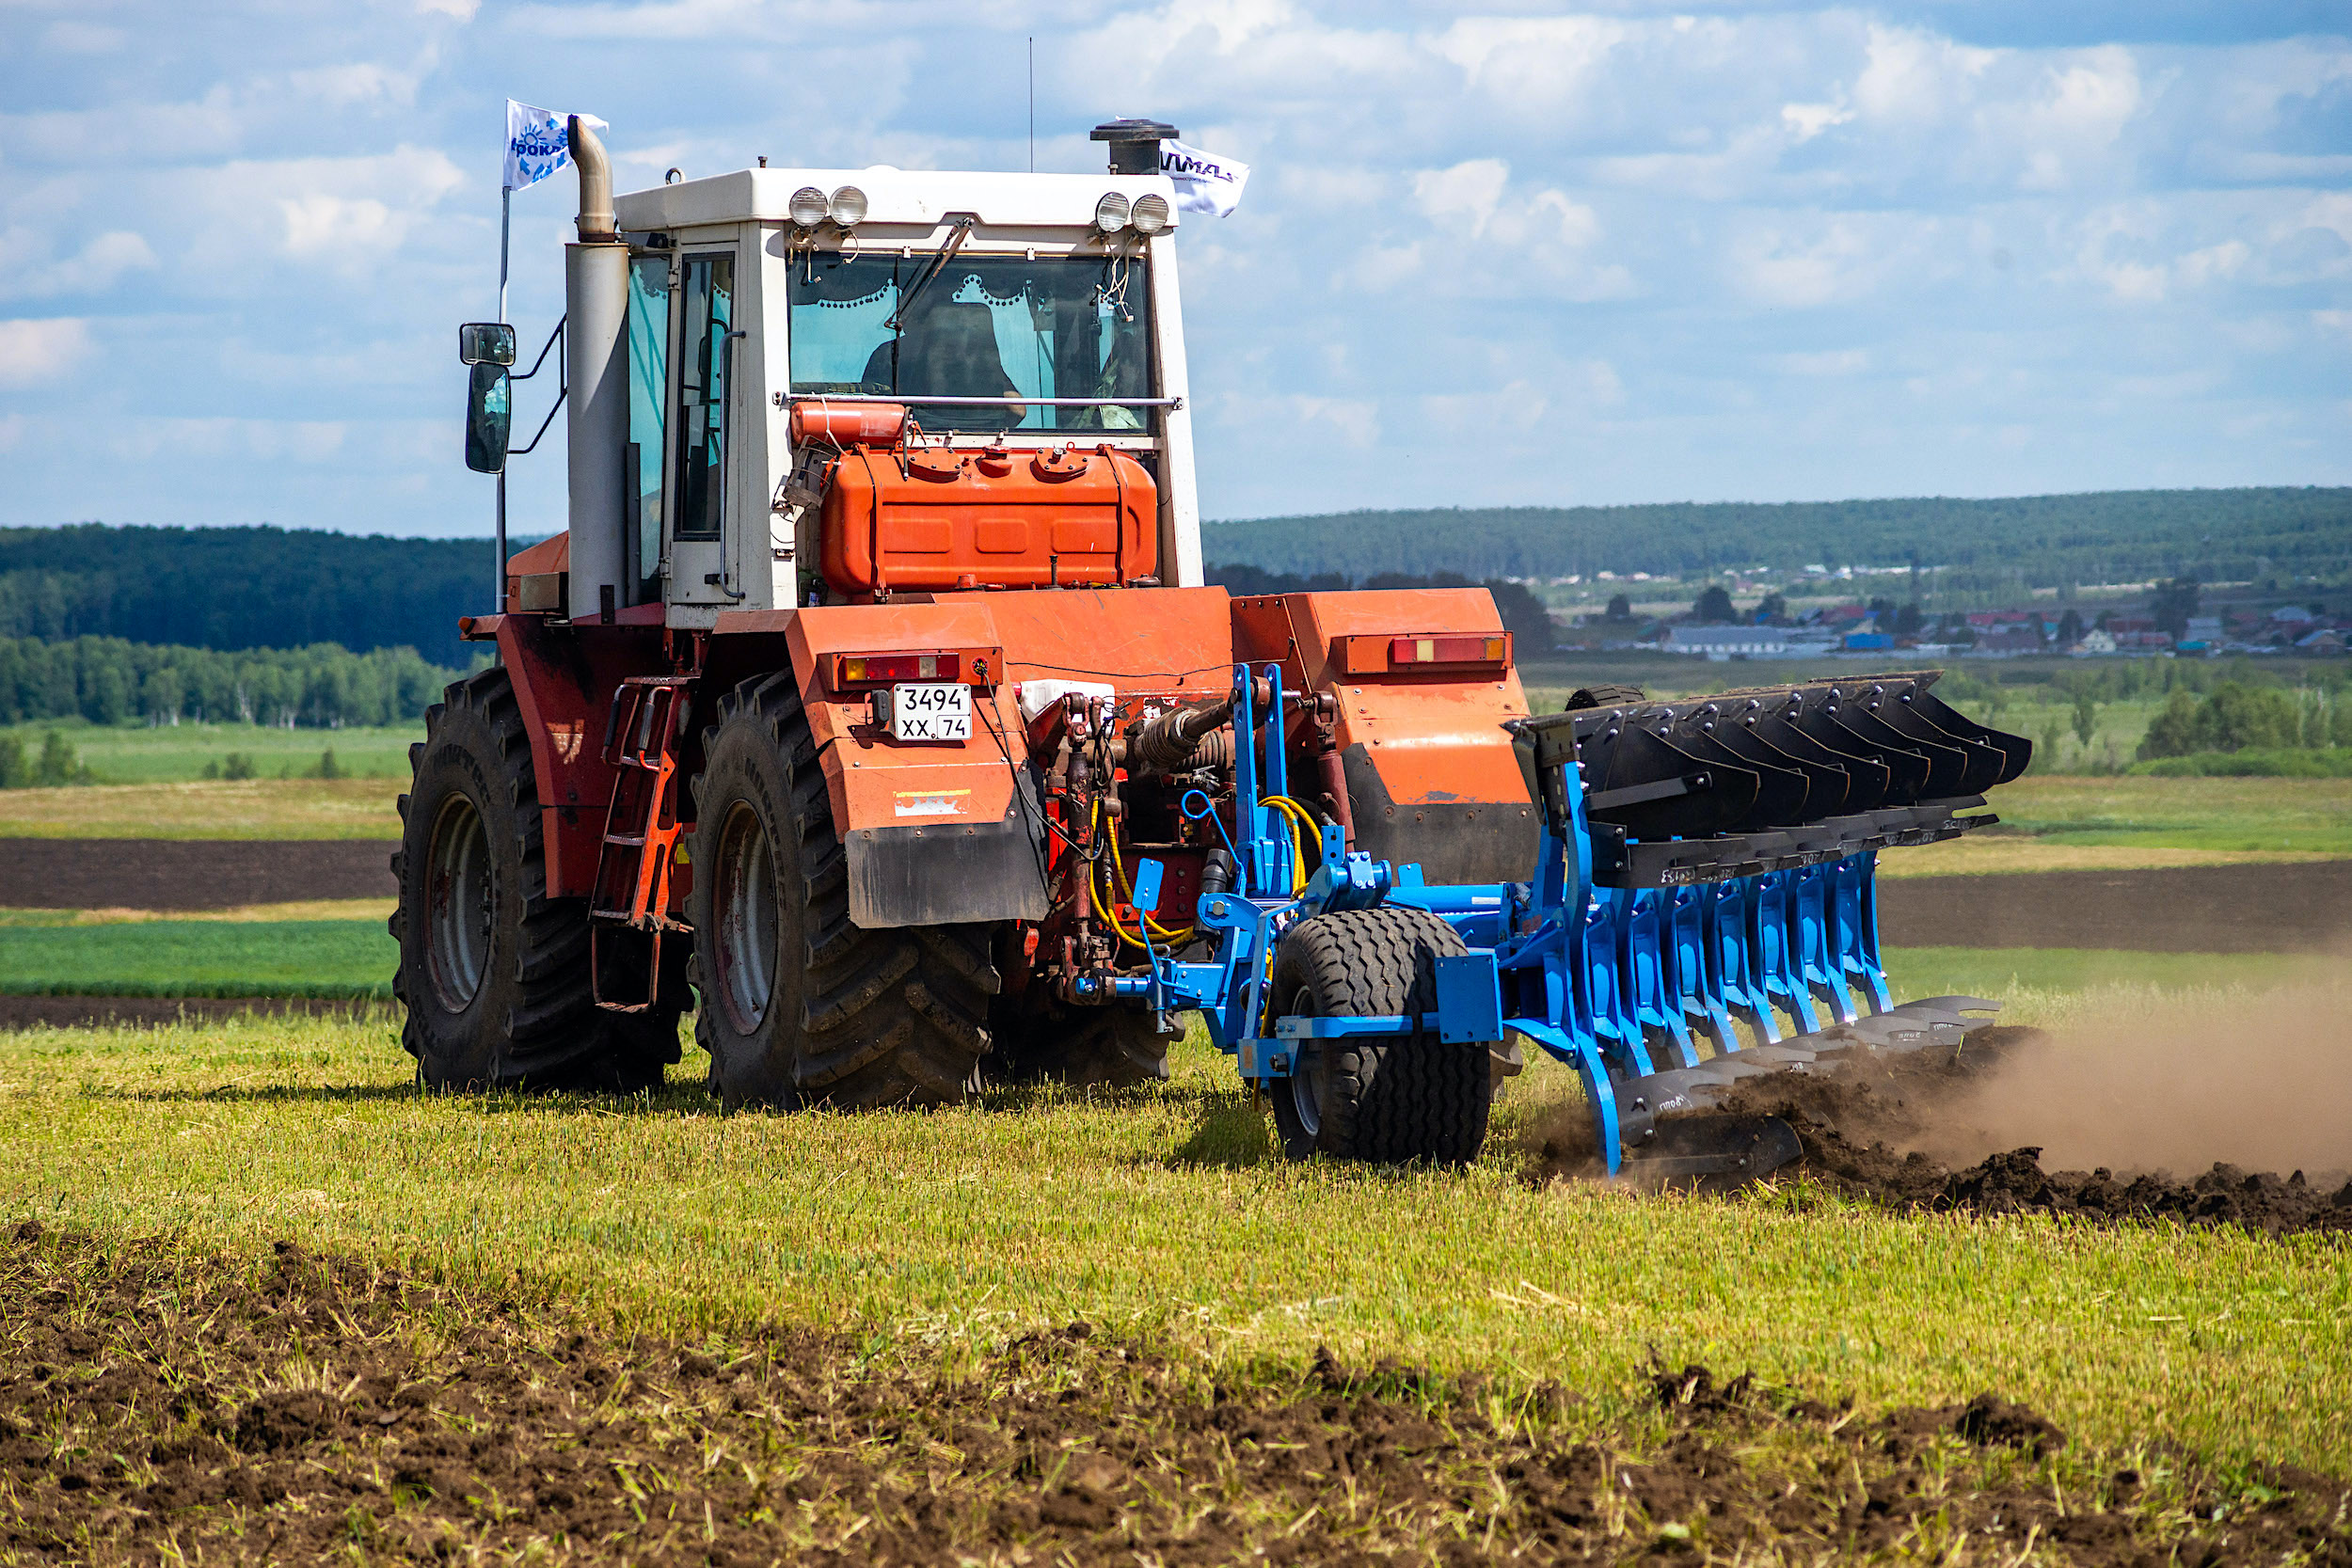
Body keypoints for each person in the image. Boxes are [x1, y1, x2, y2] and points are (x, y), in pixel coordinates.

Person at [863, 295, 1026, 432]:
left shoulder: (888, 353)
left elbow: (869, 417)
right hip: (979, 443)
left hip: (909, 444)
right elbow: (1017, 410)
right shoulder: (976, 355)